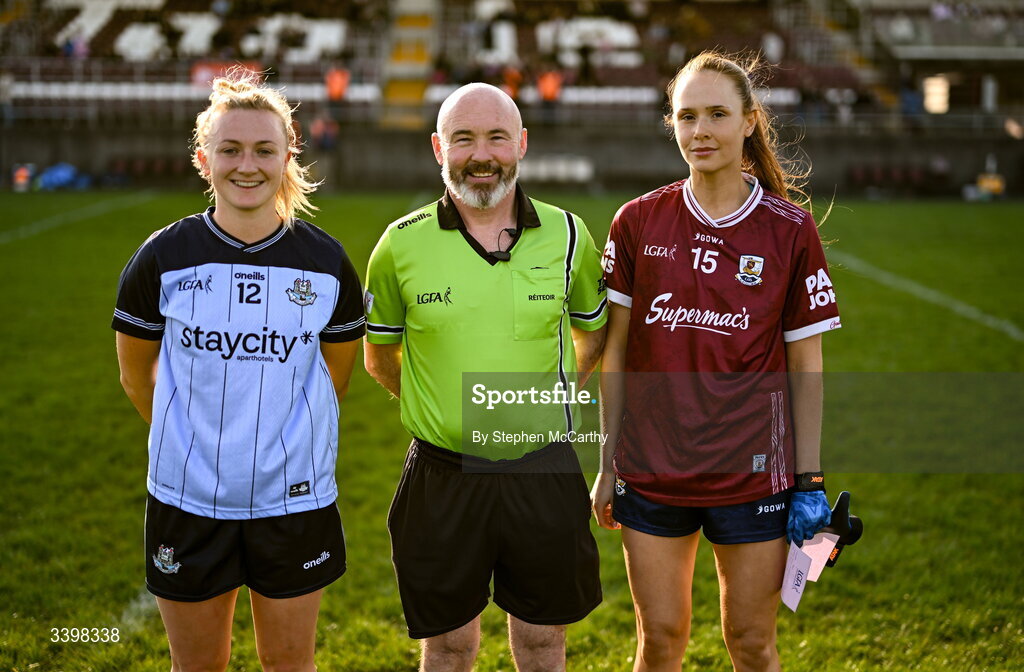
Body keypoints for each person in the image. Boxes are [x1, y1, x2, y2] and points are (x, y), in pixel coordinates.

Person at [591, 51, 840, 672]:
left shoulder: (790, 229)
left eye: (717, 115)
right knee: (661, 640)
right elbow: (615, 353)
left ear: (750, 122)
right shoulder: (637, 221)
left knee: (752, 644)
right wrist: (605, 464)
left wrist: (808, 482)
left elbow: (806, 367)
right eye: (686, 116)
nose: (699, 131)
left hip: (753, 473)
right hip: (652, 470)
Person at [112, 67, 364, 672]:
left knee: (289, 665)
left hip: (294, 501)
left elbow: (334, 379)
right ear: (203, 158)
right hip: (187, 500)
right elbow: (134, 375)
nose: (245, 164)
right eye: (229, 149)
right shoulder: (162, 258)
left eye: (263, 150)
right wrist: (195, 445)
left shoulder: (326, 263)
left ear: (288, 155)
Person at [363, 82, 607, 672]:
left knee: (544, 642)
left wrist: (544, 395)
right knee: (448, 646)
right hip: (443, 475)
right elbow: (380, 356)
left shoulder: (570, 236)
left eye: (497, 136)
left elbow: (593, 332)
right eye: (463, 138)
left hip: (543, 468)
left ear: (521, 144)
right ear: (437, 148)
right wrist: (439, 405)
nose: (481, 154)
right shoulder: (399, 245)